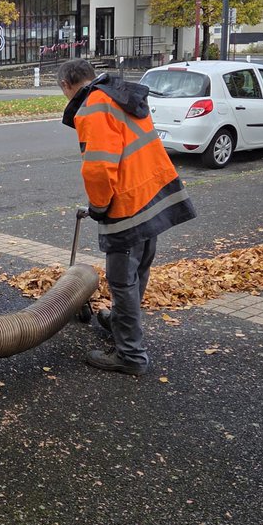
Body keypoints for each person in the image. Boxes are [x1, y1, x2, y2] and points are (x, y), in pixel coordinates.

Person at [57, 58, 196, 375]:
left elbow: (98, 167)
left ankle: (131, 355)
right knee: (139, 270)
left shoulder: (93, 106)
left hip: (128, 203)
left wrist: (99, 206)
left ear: (66, 85)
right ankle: (120, 322)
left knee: (122, 279)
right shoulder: (119, 94)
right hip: (153, 193)